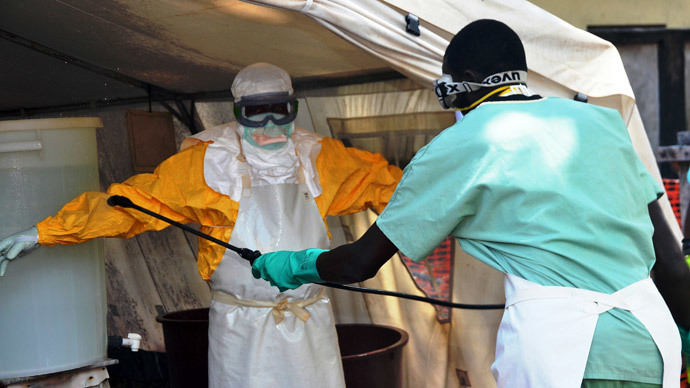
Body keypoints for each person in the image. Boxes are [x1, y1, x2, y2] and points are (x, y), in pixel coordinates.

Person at [251, 20, 690, 388]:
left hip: (563, 354)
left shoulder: (460, 145)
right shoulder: (601, 123)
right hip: (652, 345)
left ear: (459, 78)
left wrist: (289, 264)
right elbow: (670, 262)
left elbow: (359, 263)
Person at [0, 62, 402, 388]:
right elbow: (130, 204)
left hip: (309, 318)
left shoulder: (319, 158)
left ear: (293, 107)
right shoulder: (208, 163)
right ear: (237, 111)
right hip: (241, 326)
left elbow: (398, 189)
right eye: (255, 112)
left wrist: (456, 207)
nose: (268, 124)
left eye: (280, 111)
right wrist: (44, 231)